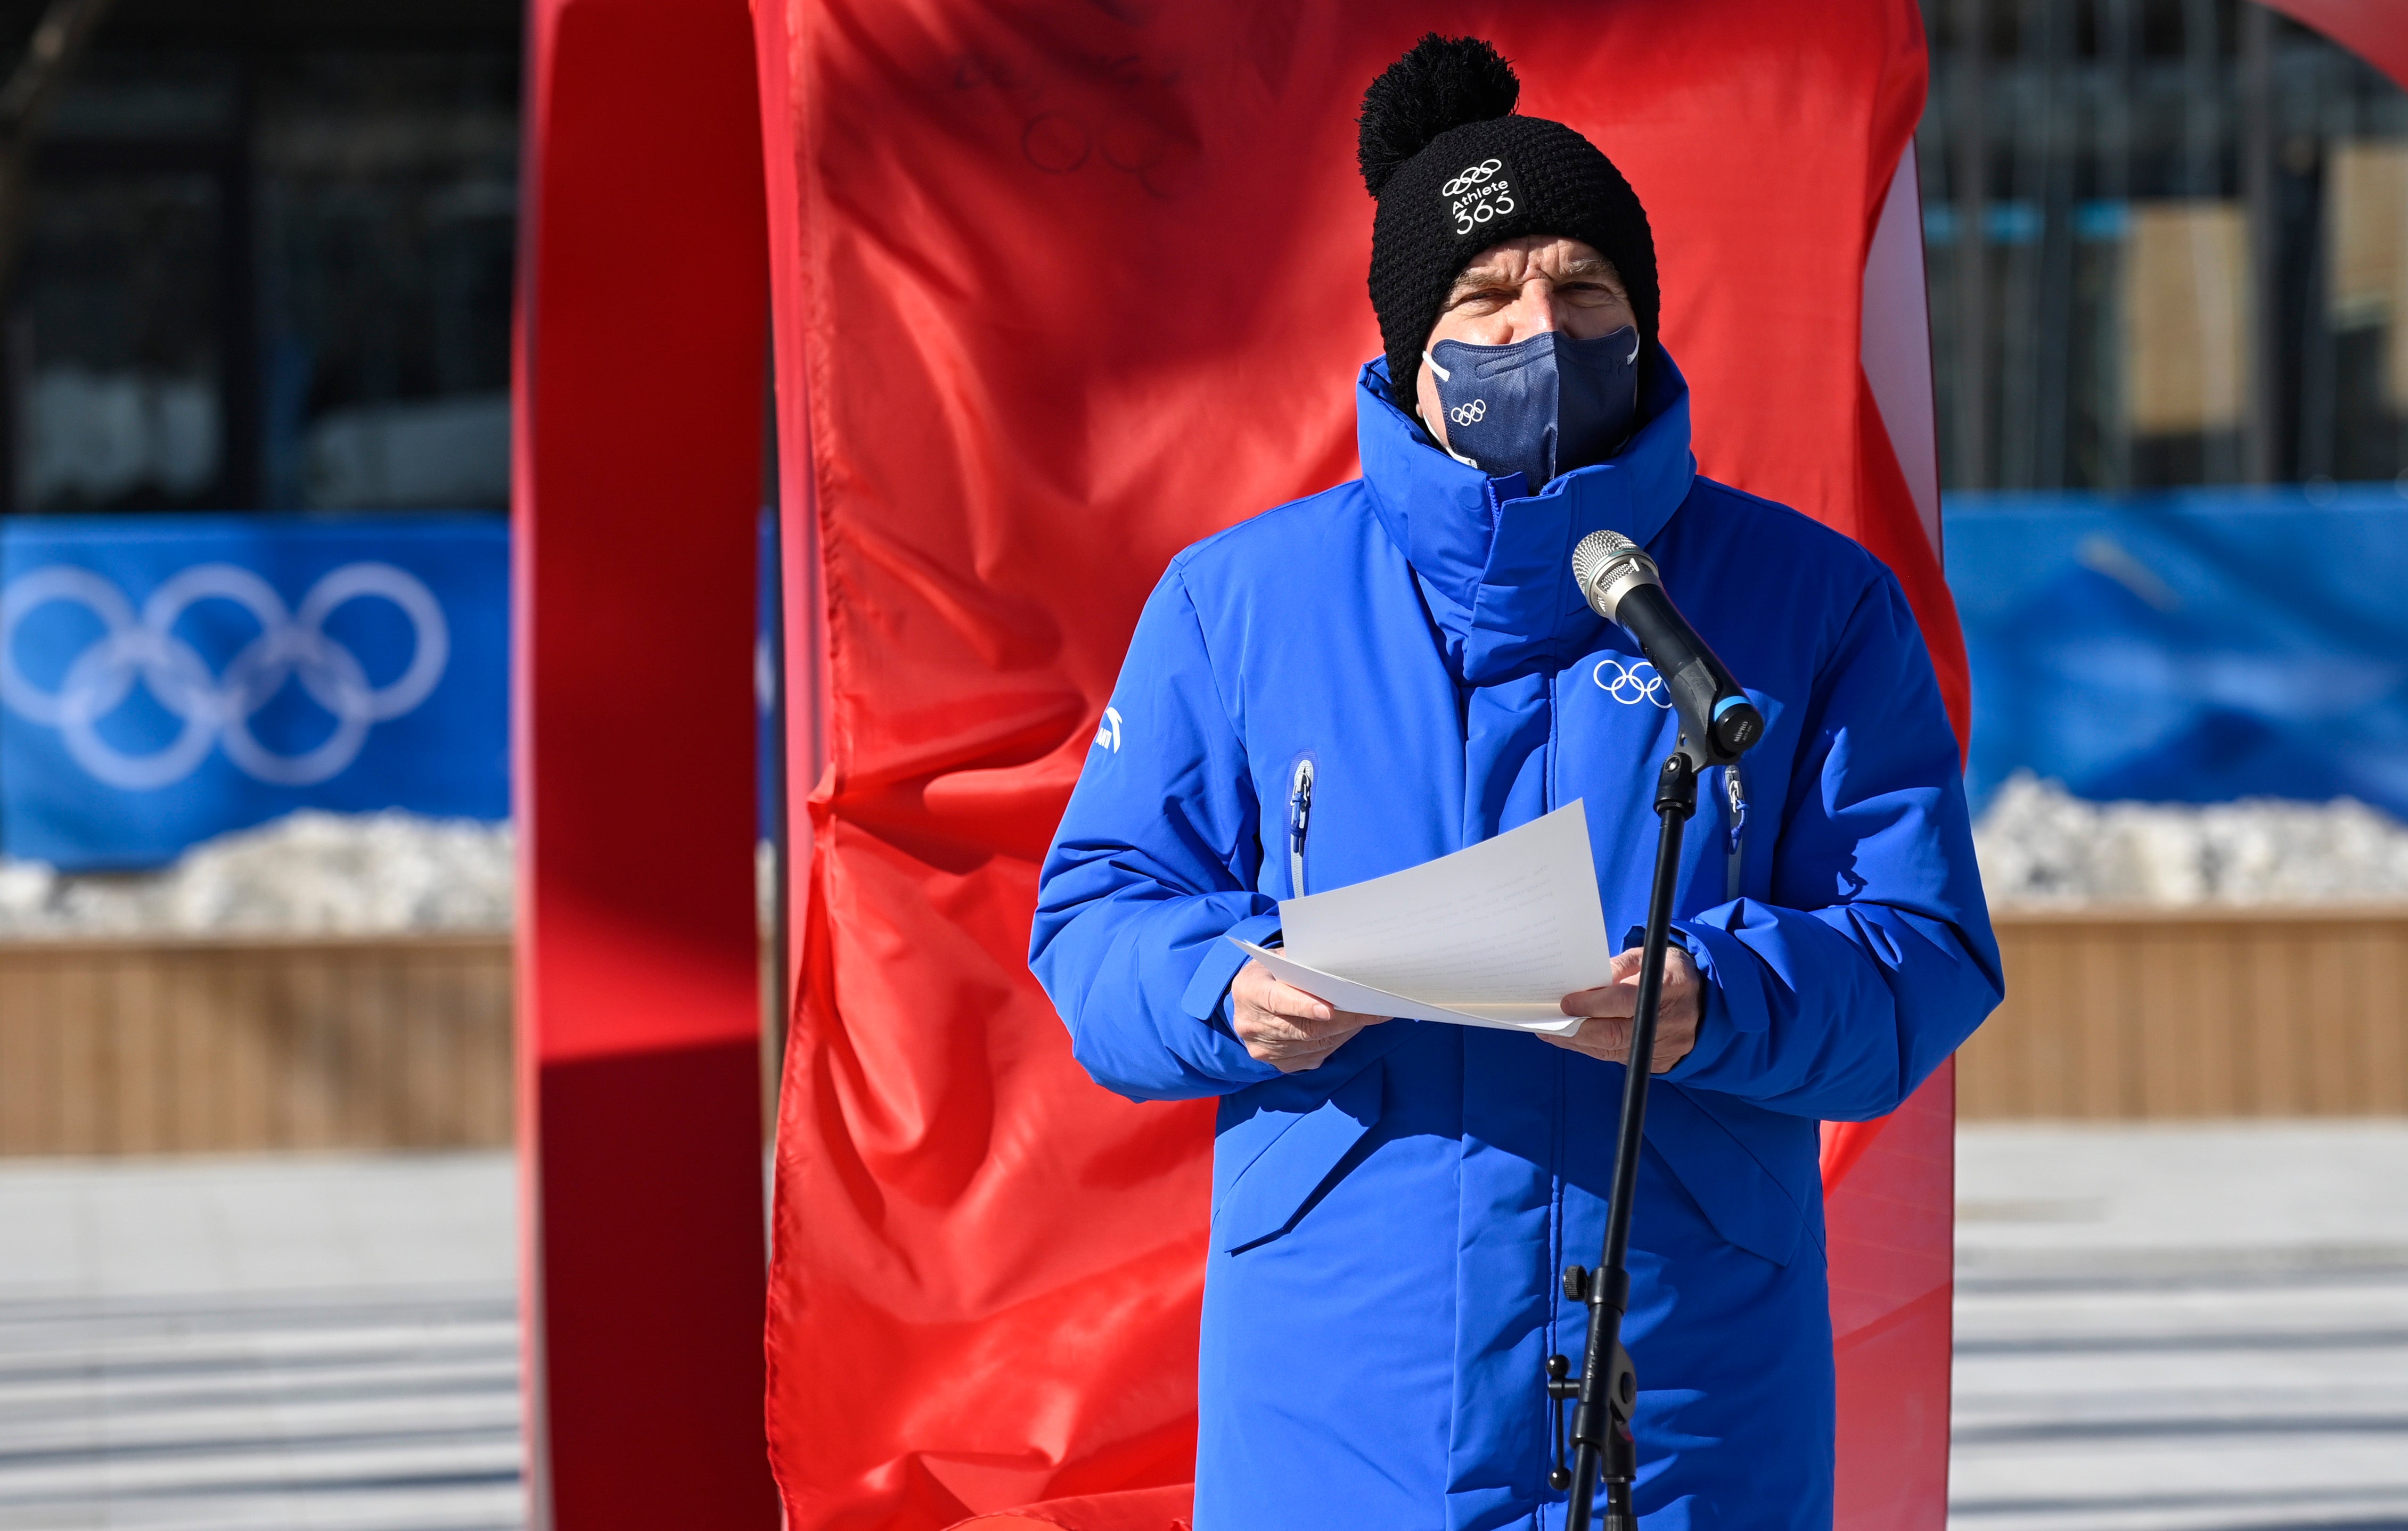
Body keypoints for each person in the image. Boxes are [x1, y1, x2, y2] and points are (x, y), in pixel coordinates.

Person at [1029, 33, 2001, 1531]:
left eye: (1581, 289)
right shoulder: (1237, 604)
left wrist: (1718, 994)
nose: (1535, 327)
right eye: (1483, 296)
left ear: (1641, 320)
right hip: (1343, 1391)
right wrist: (1226, 984)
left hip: (1681, 1394)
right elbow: (1093, 914)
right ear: (1411, 346)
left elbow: (1921, 950)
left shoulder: (1807, 604)